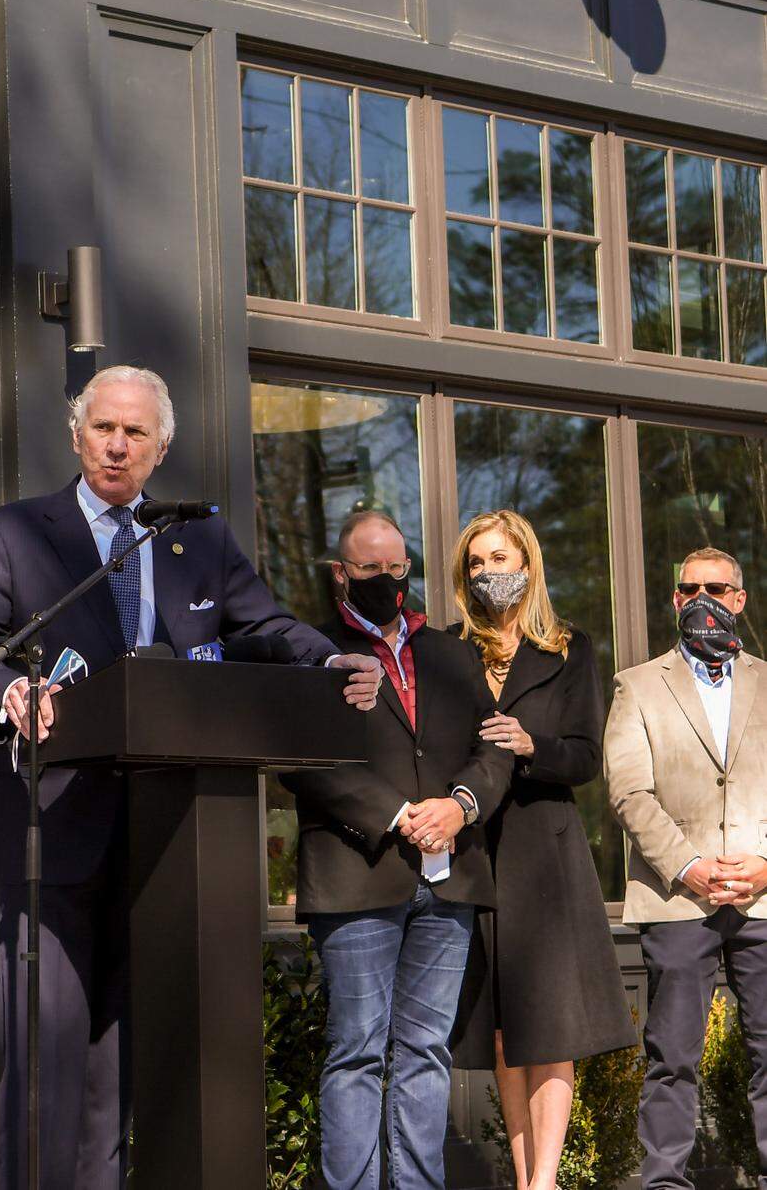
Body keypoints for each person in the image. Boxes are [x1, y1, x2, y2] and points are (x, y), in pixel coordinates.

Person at [0, 364, 381, 1190]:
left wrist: (330, 658)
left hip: (171, 840)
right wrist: (12, 691)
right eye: (104, 427)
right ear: (76, 435)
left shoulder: (195, 538)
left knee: (122, 1063)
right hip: (54, 831)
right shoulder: (15, 534)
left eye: (136, 433)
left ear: (161, 446)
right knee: (47, 1059)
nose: (117, 444)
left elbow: (270, 628)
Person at [281, 508, 512, 1190]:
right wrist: (397, 813)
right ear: (339, 574)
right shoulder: (311, 651)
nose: (386, 580)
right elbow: (299, 758)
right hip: (357, 876)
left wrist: (461, 804)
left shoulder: (450, 651)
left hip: (449, 879)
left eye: (396, 568)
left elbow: (494, 744)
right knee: (356, 1051)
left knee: (425, 1053)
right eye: (369, 569)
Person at [449, 510, 635, 1190]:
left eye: (498, 557)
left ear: (526, 563)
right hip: (477, 855)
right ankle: (527, 1177)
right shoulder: (451, 648)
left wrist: (532, 748)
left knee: (551, 1029)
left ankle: (543, 1182)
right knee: (502, 1032)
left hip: (548, 859)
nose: (486, 572)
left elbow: (586, 756)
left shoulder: (568, 649)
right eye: (474, 562)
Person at [605, 545, 767, 1190]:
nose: (701, 599)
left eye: (716, 588)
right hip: (677, 898)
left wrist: (765, 865)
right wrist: (691, 866)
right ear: (675, 598)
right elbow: (627, 792)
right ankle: (665, 1183)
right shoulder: (637, 684)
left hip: (762, 895)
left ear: (739, 599)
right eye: (688, 588)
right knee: (672, 1058)